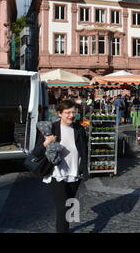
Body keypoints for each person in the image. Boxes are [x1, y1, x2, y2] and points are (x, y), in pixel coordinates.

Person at [33, 99, 88, 233]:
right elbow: (37, 152)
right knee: (63, 207)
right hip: (56, 174)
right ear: (59, 113)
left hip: (74, 173)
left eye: (73, 112)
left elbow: (84, 151)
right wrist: (47, 142)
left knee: (69, 206)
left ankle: (65, 229)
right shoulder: (51, 128)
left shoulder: (79, 129)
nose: (71, 115)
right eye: (67, 112)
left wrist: (84, 169)